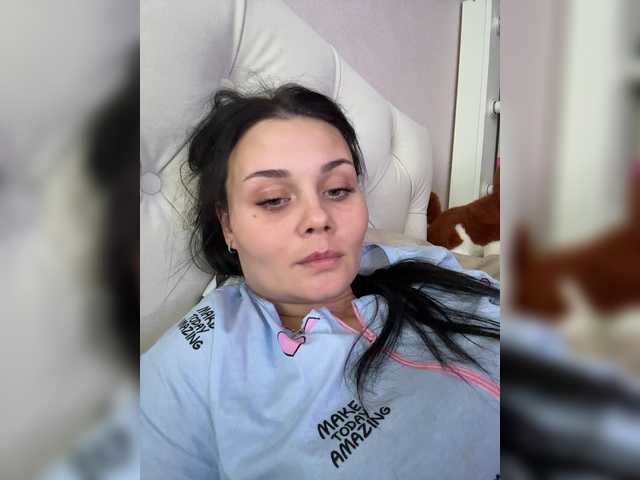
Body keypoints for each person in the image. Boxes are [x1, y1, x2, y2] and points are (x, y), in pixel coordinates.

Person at [141, 84, 500, 479]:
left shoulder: (421, 267)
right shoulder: (195, 361)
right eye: (273, 199)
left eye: (338, 190)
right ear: (228, 225)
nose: (318, 217)